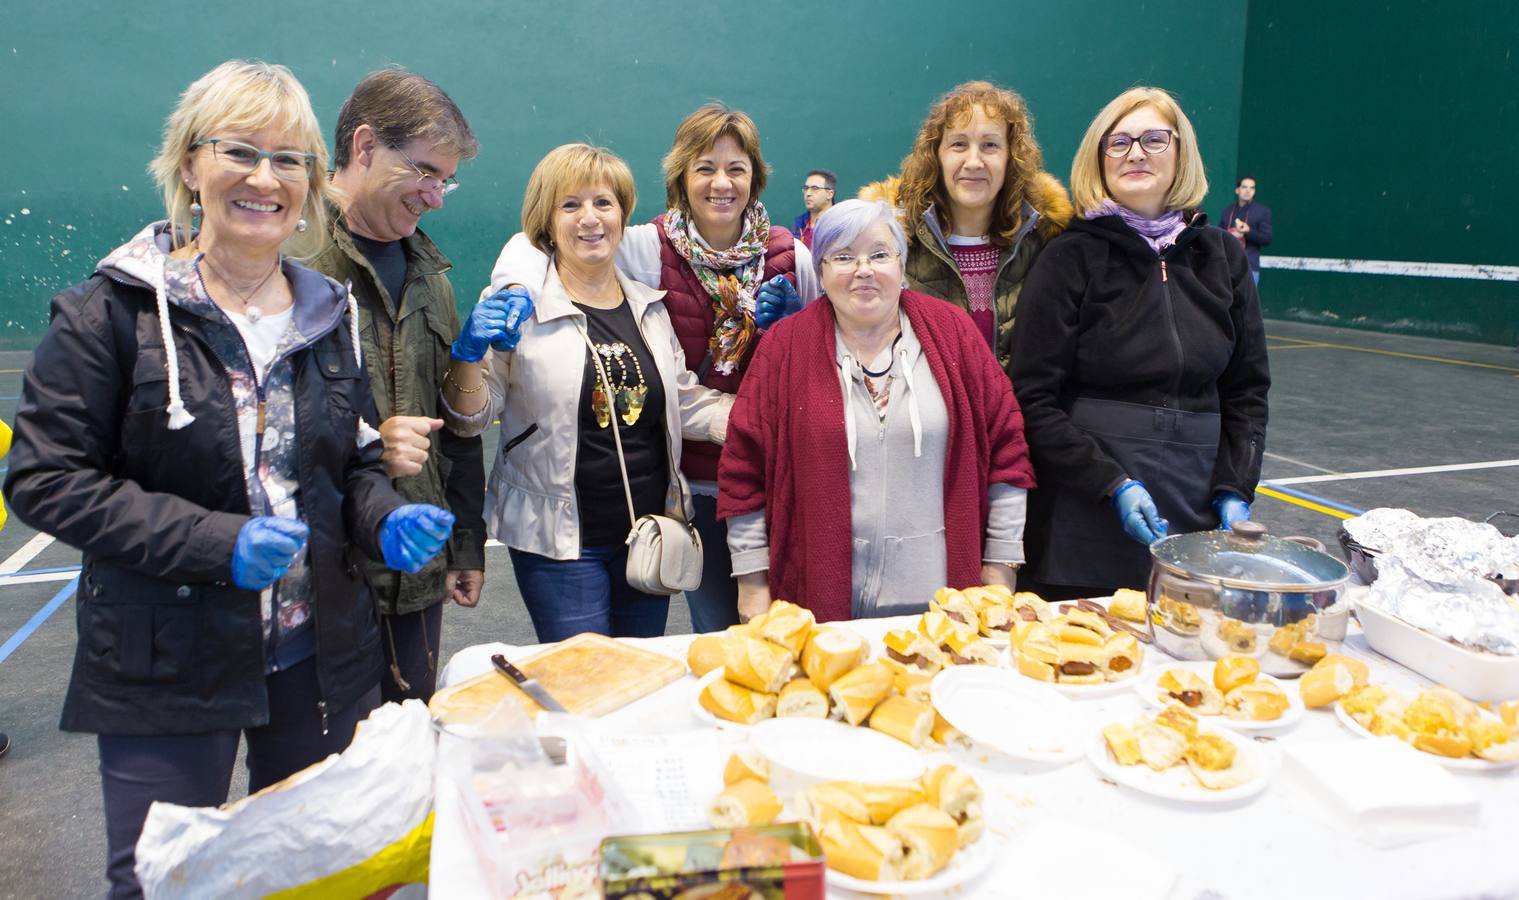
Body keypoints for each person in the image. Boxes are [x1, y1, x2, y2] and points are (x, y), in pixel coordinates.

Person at [1, 61, 454, 899]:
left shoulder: (327, 313)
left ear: (312, 183)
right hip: (167, 660)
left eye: (289, 160)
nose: (264, 178)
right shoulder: (108, 315)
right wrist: (217, 543)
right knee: (162, 881)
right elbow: (46, 480)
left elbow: (348, 458)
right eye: (239, 151)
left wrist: (382, 514)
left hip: (318, 655)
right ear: (188, 166)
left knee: (317, 871)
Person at [480, 104, 819, 633]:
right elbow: (535, 242)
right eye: (704, 167)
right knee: (707, 629)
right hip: (689, 488)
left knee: (773, 630)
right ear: (681, 177)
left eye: (736, 168)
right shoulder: (643, 247)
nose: (721, 183)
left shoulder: (789, 256)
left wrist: (801, 334)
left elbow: (824, 346)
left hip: (757, 474)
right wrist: (516, 290)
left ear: (756, 177)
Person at [440, 143, 730, 642]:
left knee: (637, 684)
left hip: (649, 535)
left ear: (622, 215)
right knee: (581, 687)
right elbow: (471, 417)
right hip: (560, 544)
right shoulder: (517, 306)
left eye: (603, 203)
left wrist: (763, 420)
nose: (590, 218)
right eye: (570, 205)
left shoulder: (649, 307)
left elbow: (682, 400)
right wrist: (467, 356)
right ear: (546, 222)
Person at [719, 199, 1037, 623]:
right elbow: (743, 469)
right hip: (821, 604)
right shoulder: (784, 347)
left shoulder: (953, 333)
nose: (863, 269)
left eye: (880, 254)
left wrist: (1000, 566)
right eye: (844, 257)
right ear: (822, 270)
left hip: (947, 604)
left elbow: (1007, 450)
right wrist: (753, 586)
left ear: (902, 266)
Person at [1010, 86, 1270, 599]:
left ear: (1181, 153)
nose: (1135, 153)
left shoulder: (1223, 257)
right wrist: (1114, 484)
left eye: (1154, 139)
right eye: (1119, 142)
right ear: (1099, 158)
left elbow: (1247, 392)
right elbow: (1032, 399)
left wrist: (1235, 488)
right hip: (1083, 512)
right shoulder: (1070, 258)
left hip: (1197, 507)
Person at [310, 68, 485, 704]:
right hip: (319, 580)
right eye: (424, 173)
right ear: (364, 147)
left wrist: (464, 543)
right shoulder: (287, 261)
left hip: (415, 575)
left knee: (409, 765)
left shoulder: (431, 277)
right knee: (327, 779)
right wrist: (361, 443)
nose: (436, 196)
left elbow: (454, 432)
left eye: (446, 180)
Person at [896, 80, 1073, 369]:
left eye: (990, 145)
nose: (974, 161)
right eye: (958, 144)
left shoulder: (1046, 243)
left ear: (1010, 158)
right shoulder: (898, 247)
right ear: (936, 157)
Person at [1220, 175, 1272, 285]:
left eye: (1251, 188)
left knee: (1247, 302)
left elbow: (1267, 239)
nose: (1248, 191)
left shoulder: (1262, 212)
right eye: (1244, 187)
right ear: (1237, 190)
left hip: (1250, 267)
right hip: (1227, 266)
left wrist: (1248, 232)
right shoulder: (1227, 211)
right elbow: (1219, 236)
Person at [793, 168, 836, 248]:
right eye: (806, 188)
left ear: (830, 194)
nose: (808, 193)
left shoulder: (841, 224)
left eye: (815, 188)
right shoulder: (798, 224)